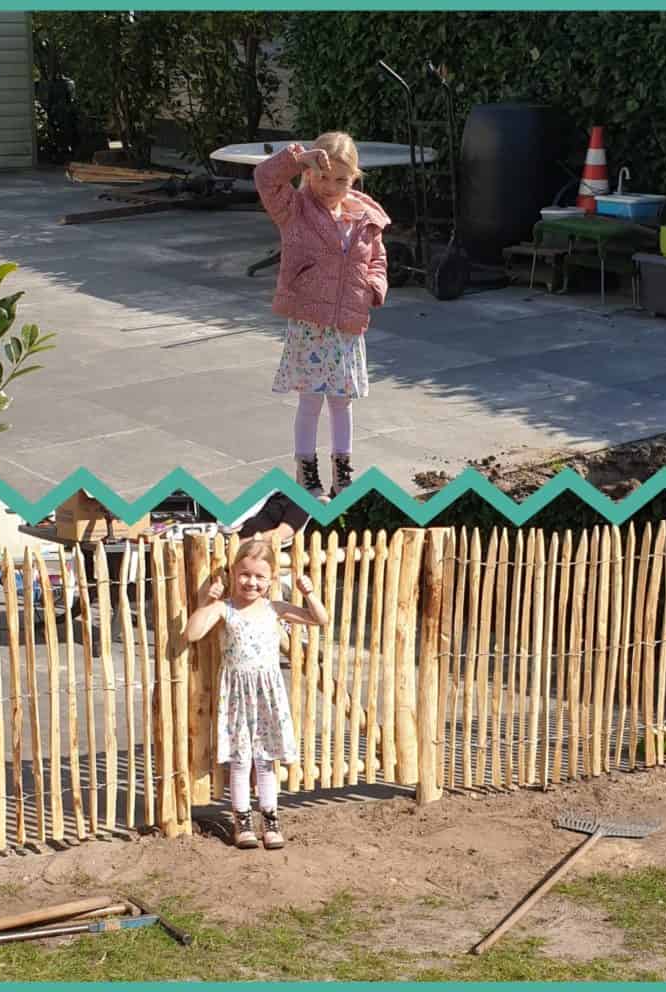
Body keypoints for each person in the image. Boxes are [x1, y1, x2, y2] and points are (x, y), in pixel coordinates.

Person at [255, 132, 390, 500]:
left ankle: (343, 470)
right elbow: (265, 177)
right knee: (311, 399)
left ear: (354, 178)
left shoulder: (365, 216)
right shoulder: (294, 209)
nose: (331, 187)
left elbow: (376, 258)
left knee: (342, 400)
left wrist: (374, 287)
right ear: (311, 173)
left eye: (341, 180)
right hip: (310, 325)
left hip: (347, 326)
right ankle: (306, 470)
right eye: (323, 177)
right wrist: (299, 158)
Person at [184, 539, 328, 850]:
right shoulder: (225, 609)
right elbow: (192, 633)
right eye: (245, 574)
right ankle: (242, 821)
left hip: (267, 694)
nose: (252, 582)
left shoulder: (275, 609)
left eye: (260, 576)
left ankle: (271, 819)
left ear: (272, 578)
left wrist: (309, 593)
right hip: (236, 694)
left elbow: (320, 619)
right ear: (233, 573)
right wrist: (207, 602)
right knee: (239, 760)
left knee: (264, 761)